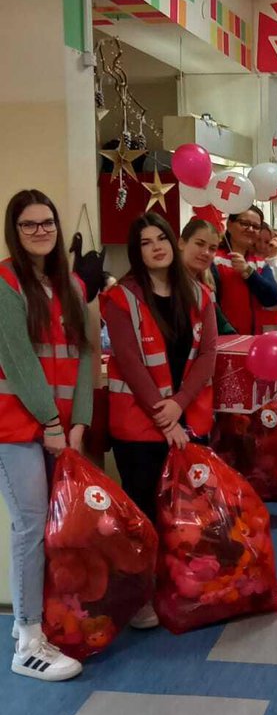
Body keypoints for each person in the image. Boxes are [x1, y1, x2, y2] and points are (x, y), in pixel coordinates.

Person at [105, 215, 218, 627]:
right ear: (136, 251)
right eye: (145, 241)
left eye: (161, 238)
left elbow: (207, 356)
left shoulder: (200, 295)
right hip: (139, 428)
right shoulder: (122, 298)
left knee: (185, 511)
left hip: (186, 420)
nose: (156, 246)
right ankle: (141, 597)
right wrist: (164, 415)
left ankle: (180, 585)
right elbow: (130, 362)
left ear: (172, 242)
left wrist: (181, 404)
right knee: (144, 514)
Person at [0, 190, 93, 681]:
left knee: (62, 529)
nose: (40, 231)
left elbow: (82, 356)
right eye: (28, 225)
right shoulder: (4, 282)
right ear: (14, 232)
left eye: (47, 223)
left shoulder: (71, 283)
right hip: (15, 428)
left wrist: (78, 422)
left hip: (60, 430)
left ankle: (39, 623)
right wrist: (52, 424)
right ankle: (27, 639)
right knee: (31, 527)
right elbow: (17, 362)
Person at [214, 209, 277, 333]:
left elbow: (272, 297)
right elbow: (211, 306)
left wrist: (248, 272)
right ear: (229, 225)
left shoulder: (260, 263)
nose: (250, 229)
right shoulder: (215, 260)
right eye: (244, 223)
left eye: (255, 226)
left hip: (255, 341)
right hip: (225, 340)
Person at [178, 217, 235, 334]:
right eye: (200, 244)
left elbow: (221, 324)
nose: (206, 253)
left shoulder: (206, 286)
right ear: (181, 243)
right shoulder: (166, 283)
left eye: (212, 248)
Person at [256, 223, 277, 302]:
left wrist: (272, 258)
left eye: (267, 242)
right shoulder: (245, 261)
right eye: (258, 240)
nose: (262, 246)